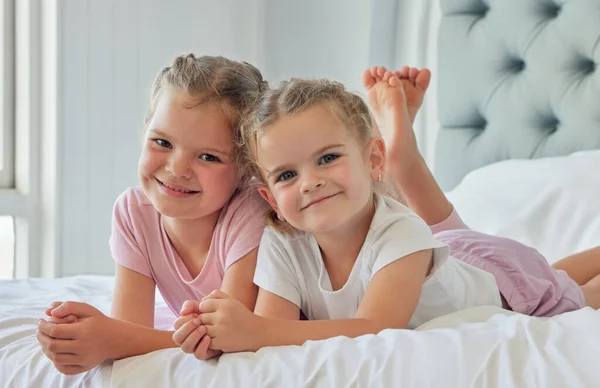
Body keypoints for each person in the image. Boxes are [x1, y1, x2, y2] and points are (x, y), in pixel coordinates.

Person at [171, 66, 600, 354]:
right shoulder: (282, 244)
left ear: (374, 161)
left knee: (576, 295)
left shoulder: (402, 232)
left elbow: (375, 327)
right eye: (285, 175)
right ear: (270, 201)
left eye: (327, 158)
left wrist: (252, 331)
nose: (310, 182)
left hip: (503, 286)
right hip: (447, 260)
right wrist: (216, 334)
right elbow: (271, 332)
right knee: (560, 271)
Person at [36, 54, 270, 374]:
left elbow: (222, 339)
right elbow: (130, 328)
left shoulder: (253, 213)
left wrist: (111, 338)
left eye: (207, 156)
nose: (176, 169)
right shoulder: (134, 213)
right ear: (145, 131)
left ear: (247, 168)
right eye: (162, 142)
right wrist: (85, 333)